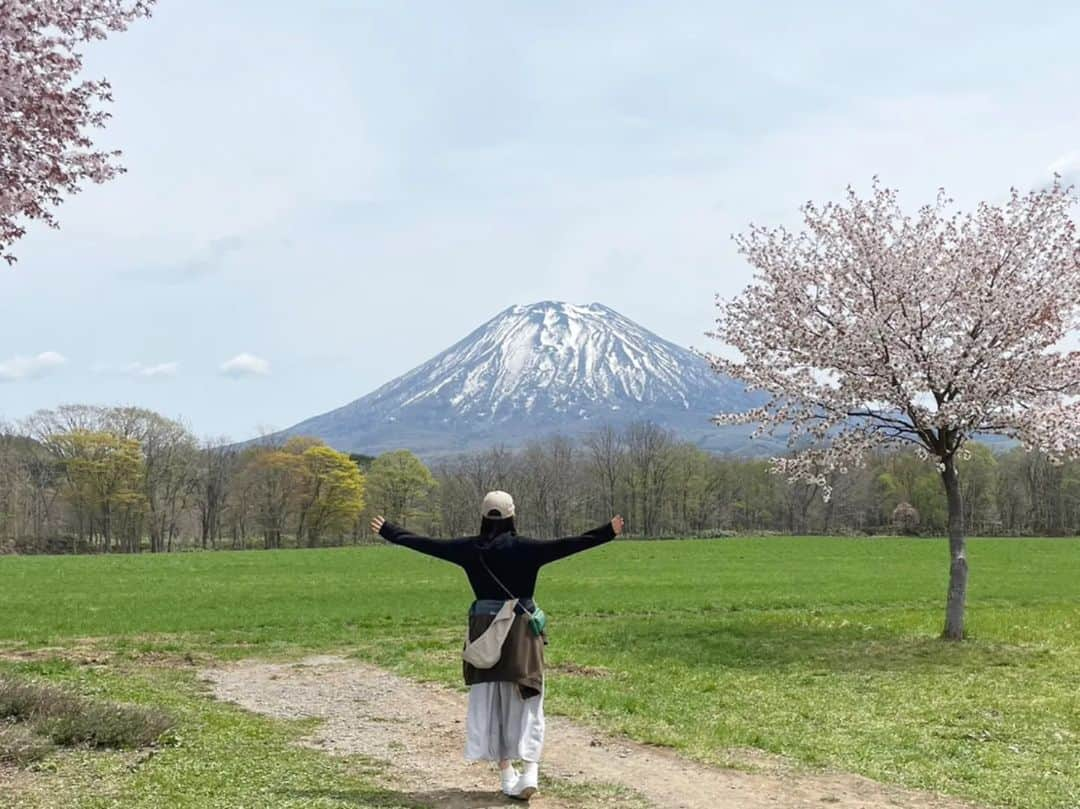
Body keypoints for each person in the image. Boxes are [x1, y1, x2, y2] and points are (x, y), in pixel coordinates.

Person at [370, 490, 623, 801]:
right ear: (511, 514)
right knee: (529, 697)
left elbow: (427, 544)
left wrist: (389, 530)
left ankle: (506, 775)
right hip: (521, 633)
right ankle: (529, 770)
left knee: (489, 704)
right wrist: (607, 532)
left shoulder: (469, 549)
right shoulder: (527, 549)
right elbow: (568, 544)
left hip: (483, 633)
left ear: (483, 515)